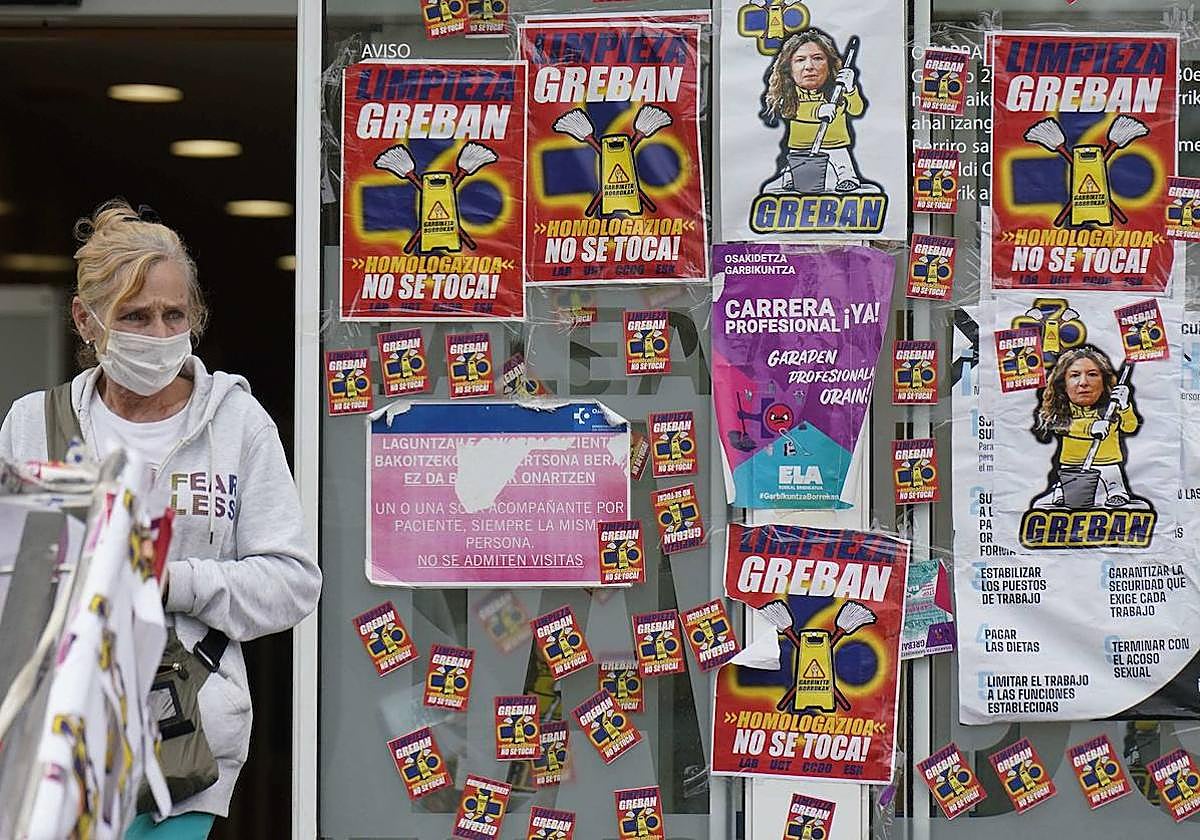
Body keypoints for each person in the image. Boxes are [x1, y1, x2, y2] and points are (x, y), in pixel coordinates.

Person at [0, 199, 322, 838]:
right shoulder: (33, 423)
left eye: (173, 315)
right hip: (56, 743)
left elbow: (292, 581)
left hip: (184, 743)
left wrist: (171, 579)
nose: (156, 333)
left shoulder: (237, 424)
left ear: (196, 318)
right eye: (134, 316)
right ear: (86, 321)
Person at [759, 29, 875, 195]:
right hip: (801, 147)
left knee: (843, 166)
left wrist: (850, 89)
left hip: (836, 143)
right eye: (800, 60)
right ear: (788, 68)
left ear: (829, 64)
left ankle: (847, 178)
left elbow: (857, 110)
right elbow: (789, 111)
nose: (809, 67)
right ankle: (790, 176)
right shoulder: (789, 94)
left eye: (818, 58)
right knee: (793, 171)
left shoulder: (837, 90)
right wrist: (818, 111)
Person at [1030, 345, 1144, 509]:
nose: (1083, 382)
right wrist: (1090, 427)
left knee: (1115, 488)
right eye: (1075, 375)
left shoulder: (1112, 408)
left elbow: (1130, 428)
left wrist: (1125, 406)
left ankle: (1116, 492)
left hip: (1109, 464)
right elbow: (1063, 425)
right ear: (1063, 383)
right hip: (1072, 465)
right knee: (1063, 491)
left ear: (1104, 381)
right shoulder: (1060, 410)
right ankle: (1061, 491)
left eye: (1092, 375)